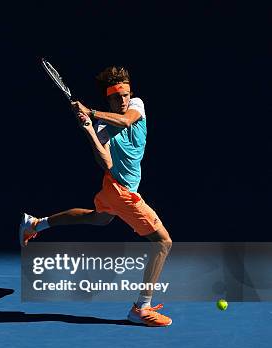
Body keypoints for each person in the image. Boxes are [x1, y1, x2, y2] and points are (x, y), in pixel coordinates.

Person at [19, 66, 173, 327]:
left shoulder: (137, 105)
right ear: (108, 99)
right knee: (163, 243)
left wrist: (91, 113)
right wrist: (89, 129)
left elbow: (126, 121)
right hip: (120, 190)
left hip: (117, 189)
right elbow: (107, 162)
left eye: (125, 95)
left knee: (98, 219)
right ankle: (141, 308)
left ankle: (35, 223)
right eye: (116, 97)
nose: (123, 101)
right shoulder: (102, 126)